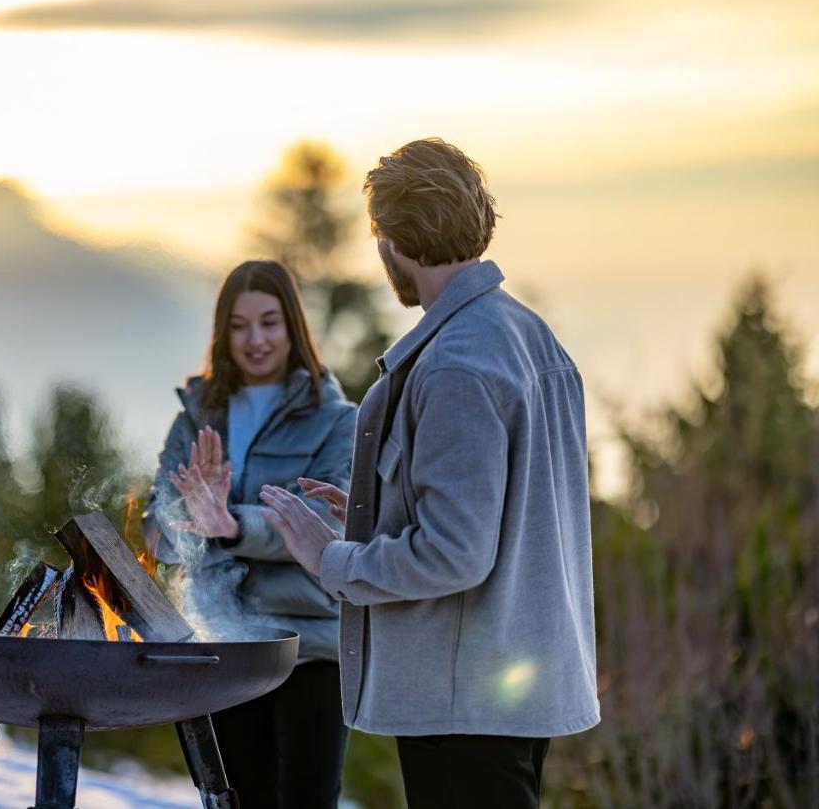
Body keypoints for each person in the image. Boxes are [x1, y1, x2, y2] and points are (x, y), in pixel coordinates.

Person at [259, 139, 600, 809]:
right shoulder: (529, 336)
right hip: (513, 695)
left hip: (467, 707)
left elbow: (454, 552)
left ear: (394, 241)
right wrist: (375, 508)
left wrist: (332, 557)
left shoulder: (454, 366)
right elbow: (505, 513)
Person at [142, 259, 358, 809]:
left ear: (293, 327)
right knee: (235, 800)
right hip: (227, 648)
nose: (255, 339)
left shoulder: (337, 420)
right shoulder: (194, 416)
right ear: (223, 333)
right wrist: (180, 524)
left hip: (309, 649)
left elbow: (332, 522)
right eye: (239, 326)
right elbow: (159, 530)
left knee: (308, 799)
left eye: (269, 322)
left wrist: (230, 523)